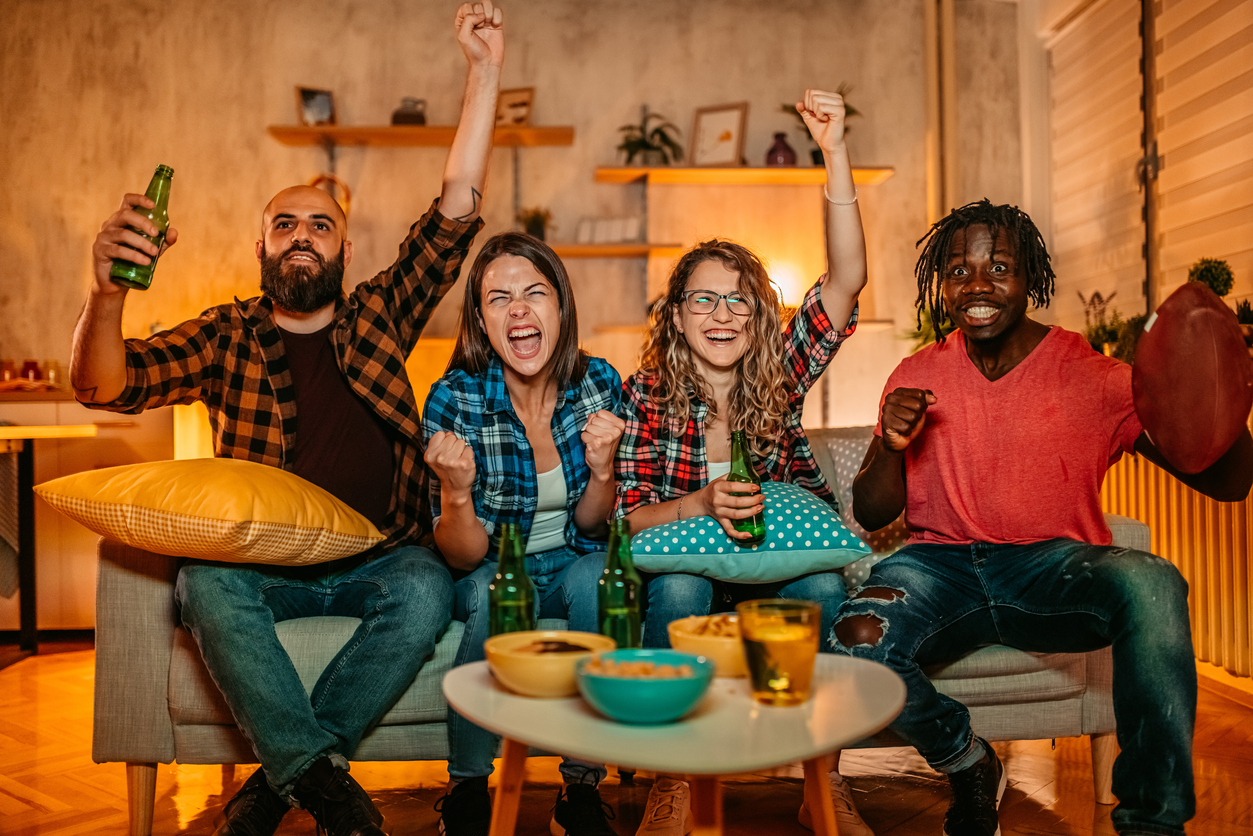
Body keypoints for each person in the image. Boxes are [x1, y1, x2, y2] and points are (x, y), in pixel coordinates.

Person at [68, 5, 506, 834]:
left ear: (344, 249)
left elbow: (453, 212)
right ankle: (320, 777)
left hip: (381, 556)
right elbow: (104, 386)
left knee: (423, 587)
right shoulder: (225, 333)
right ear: (260, 248)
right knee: (203, 580)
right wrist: (106, 291)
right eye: (284, 224)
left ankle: (282, 780)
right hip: (266, 565)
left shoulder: (380, 313)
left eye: (320, 224)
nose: (301, 236)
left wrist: (481, 73)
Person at [837, 198, 1253, 836]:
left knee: (1154, 581)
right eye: (957, 271)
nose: (976, 285)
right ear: (939, 283)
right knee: (855, 642)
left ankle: (1153, 824)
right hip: (938, 567)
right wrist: (889, 446)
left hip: (1050, 568)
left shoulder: (1094, 375)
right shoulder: (915, 372)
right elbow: (872, 511)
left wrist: (1227, 393)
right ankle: (968, 762)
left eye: (999, 267)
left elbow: (1228, 482)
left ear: (1031, 277)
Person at [614, 90, 873, 836]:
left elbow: (846, 279)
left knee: (823, 583)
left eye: (738, 302)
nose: (722, 315)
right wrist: (698, 505)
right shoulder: (645, 396)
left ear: (760, 315)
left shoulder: (780, 375)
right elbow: (628, 525)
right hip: (691, 579)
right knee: (673, 592)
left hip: (783, 567)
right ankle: (677, 777)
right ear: (675, 315)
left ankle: (820, 777)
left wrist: (832, 150)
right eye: (702, 301)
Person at [423, 232, 625, 836]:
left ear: (560, 310)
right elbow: (465, 554)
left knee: (600, 576)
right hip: (489, 565)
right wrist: (456, 492)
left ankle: (583, 786)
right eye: (498, 298)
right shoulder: (453, 398)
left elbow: (593, 525)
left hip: (571, 560)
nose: (518, 309)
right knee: (492, 592)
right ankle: (466, 786)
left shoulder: (598, 384)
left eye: (535, 292)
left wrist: (604, 470)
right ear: (482, 322)